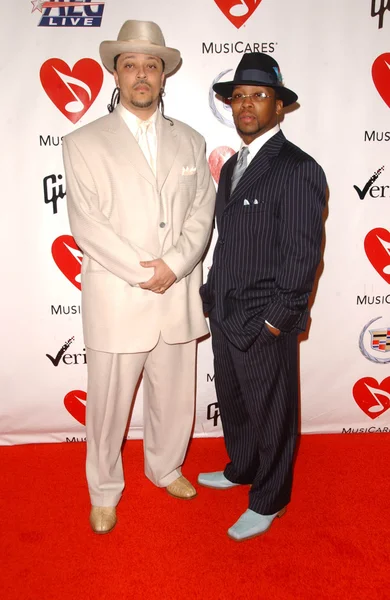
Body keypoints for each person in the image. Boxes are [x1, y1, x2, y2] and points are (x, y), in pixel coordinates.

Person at [62, 20, 215, 534]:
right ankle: (103, 489)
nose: (142, 74)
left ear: (165, 76)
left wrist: (173, 267)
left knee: (175, 397)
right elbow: (86, 223)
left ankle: (165, 466)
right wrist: (140, 271)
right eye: (131, 65)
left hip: (176, 293)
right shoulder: (82, 142)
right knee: (106, 407)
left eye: (152, 65)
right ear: (117, 74)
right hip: (117, 296)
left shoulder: (192, 141)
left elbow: (201, 213)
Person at [198, 52, 326, 541]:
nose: (246, 105)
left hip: (264, 320)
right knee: (233, 402)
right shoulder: (232, 166)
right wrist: (211, 295)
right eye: (239, 97)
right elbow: (228, 239)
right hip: (226, 313)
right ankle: (242, 468)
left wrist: (276, 319)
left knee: (273, 412)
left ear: (279, 106)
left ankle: (270, 498)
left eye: (259, 96)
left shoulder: (297, 168)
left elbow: (303, 255)